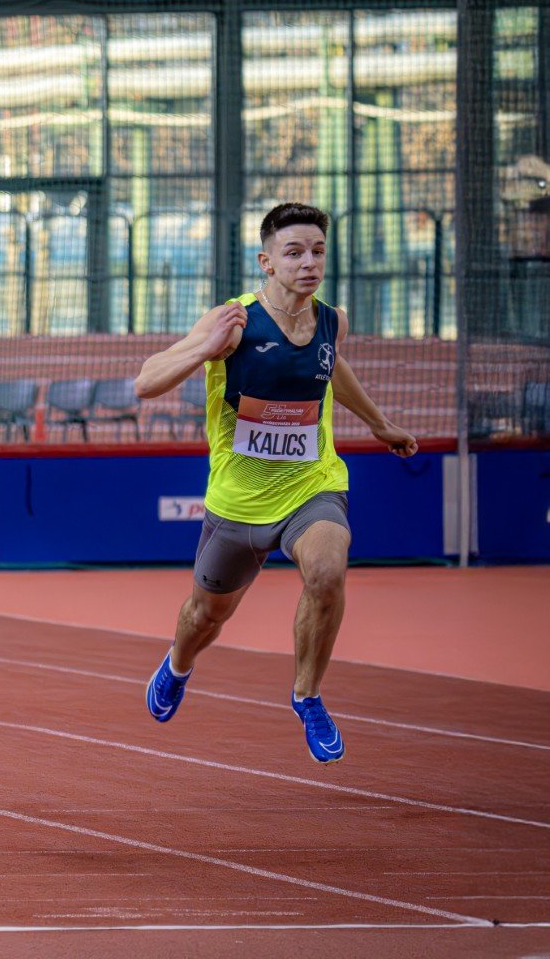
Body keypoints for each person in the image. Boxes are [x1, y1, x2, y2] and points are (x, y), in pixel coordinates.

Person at [135, 202, 418, 764]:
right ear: (266, 262)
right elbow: (146, 383)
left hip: (310, 485)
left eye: (317, 251)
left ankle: (307, 696)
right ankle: (178, 664)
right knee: (205, 616)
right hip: (237, 500)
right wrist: (205, 347)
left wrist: (380, 423)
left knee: (327, 569)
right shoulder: (233, 320)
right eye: (294, 253)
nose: (308, 262)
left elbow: (334, 368)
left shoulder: (331, 320)